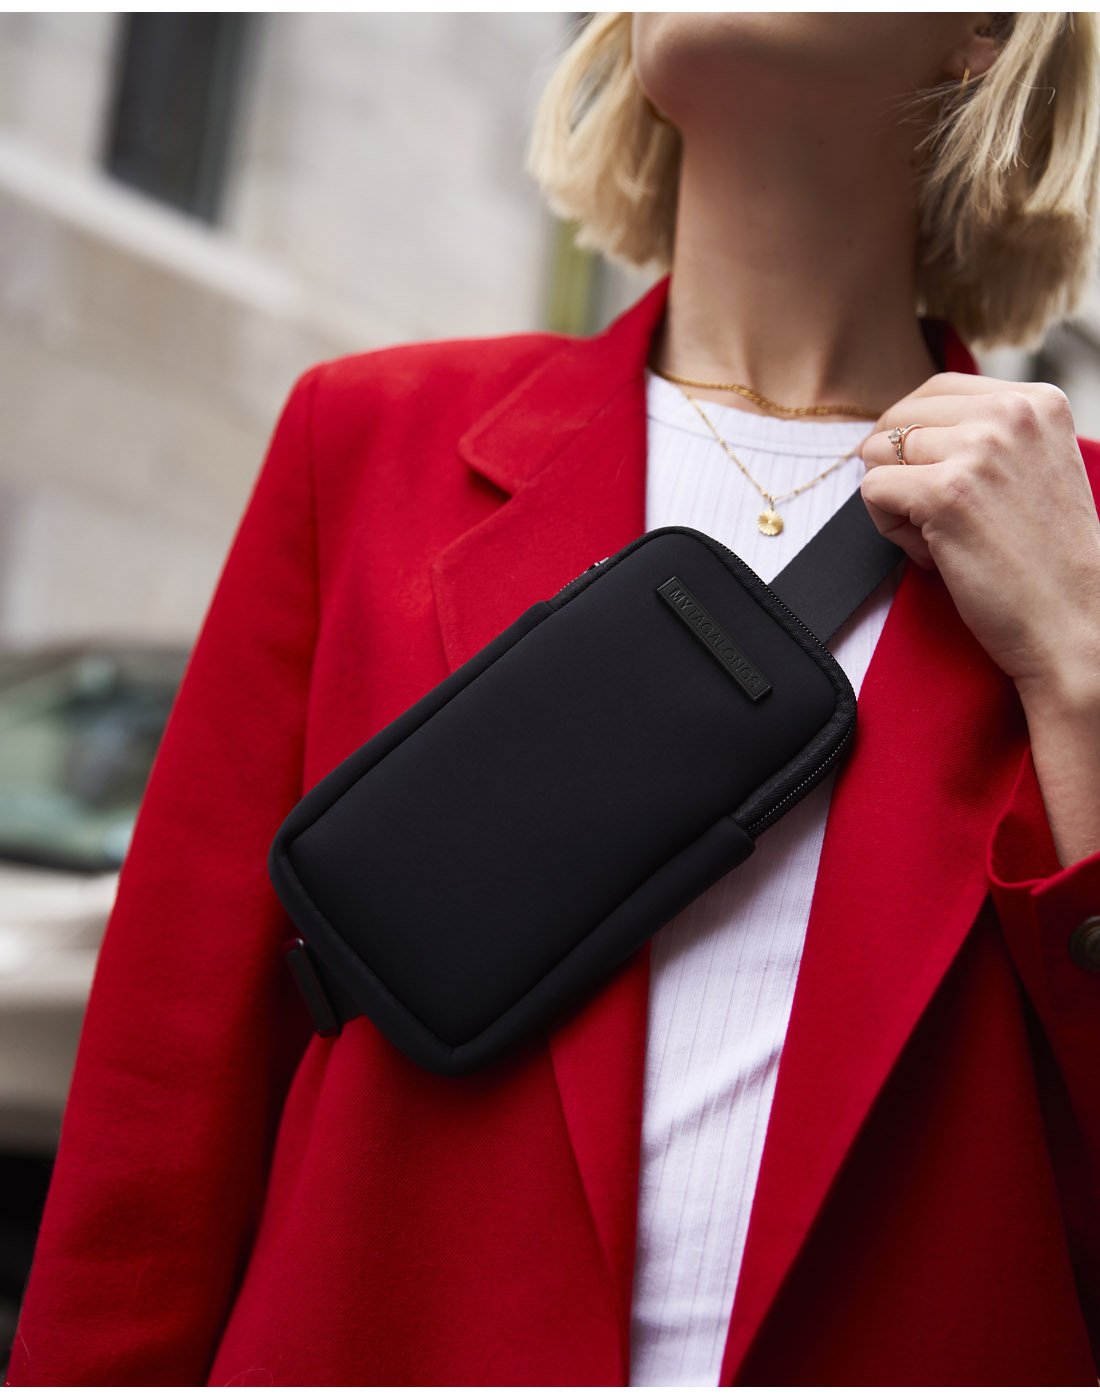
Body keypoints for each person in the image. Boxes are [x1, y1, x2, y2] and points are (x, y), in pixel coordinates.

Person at [8, 11, 1100, 1386]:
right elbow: (162, 1108)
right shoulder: (369, 443)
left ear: (987, 36)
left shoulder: (1078, 548)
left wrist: (1078, 661)